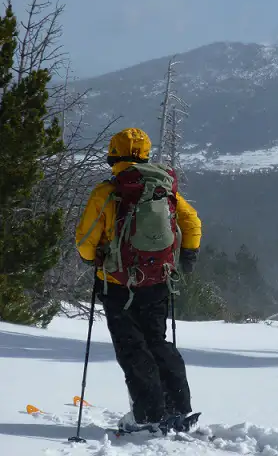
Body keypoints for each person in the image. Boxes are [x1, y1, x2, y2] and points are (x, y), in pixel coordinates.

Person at [76, 127, 201, 433]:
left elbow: (85, 239)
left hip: (117, 283)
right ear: (144, 154)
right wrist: (188, 254)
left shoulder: (108, 191)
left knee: (132, 347)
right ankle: (178, 407)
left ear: (113, 154)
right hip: (157, 281)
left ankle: (147, 415)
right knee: (156, 341)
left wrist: (91, 259)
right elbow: (191, 222)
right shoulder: (164, 187)